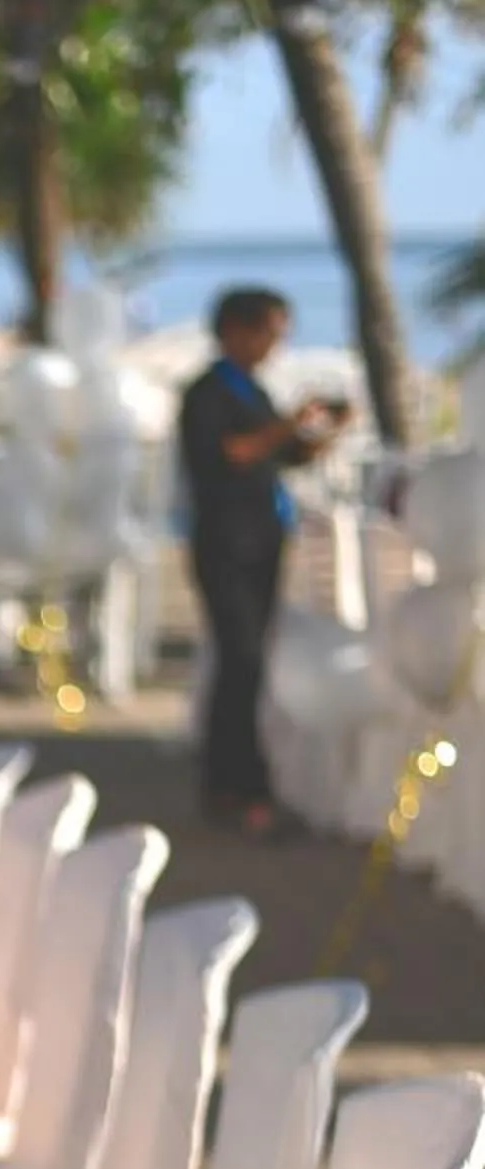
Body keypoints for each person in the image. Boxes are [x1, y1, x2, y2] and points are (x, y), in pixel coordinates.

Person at [179, 285, 346, 836]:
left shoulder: (250, 389)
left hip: (260, 540)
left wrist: (320, 432)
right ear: (237, 330)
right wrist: (286, 425)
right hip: (225, 544)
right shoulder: (207, 393)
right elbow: (233, 451)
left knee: (247, 665)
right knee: (241, 662)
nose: (275, 344)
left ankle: (234, 784)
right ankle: (240, 786)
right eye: (269, 332)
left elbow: (278, 454)